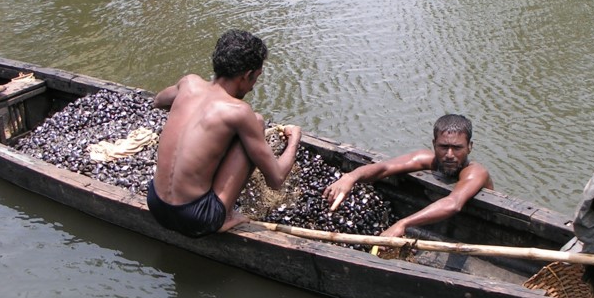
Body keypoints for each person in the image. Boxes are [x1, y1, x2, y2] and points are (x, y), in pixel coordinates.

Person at [147, 29, 302, 238]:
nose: (253, 87)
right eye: (255, 78)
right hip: (196, 218)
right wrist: (294, 139)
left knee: (232, 132)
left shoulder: (189, 83)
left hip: (155, 203)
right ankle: (226, 215)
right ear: (246, 75)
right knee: (256, 122)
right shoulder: (239, 112)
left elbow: (158, 101)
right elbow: (275, 179)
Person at [322, 114, 493, 239]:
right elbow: (385, 167)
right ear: (434, 144)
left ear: (469, 147)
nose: (449, 154)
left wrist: (403, 223)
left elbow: (453, 203)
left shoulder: (475, 172)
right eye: (443, 147)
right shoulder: (427, 159)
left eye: (457, 148)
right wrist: (351, 177)